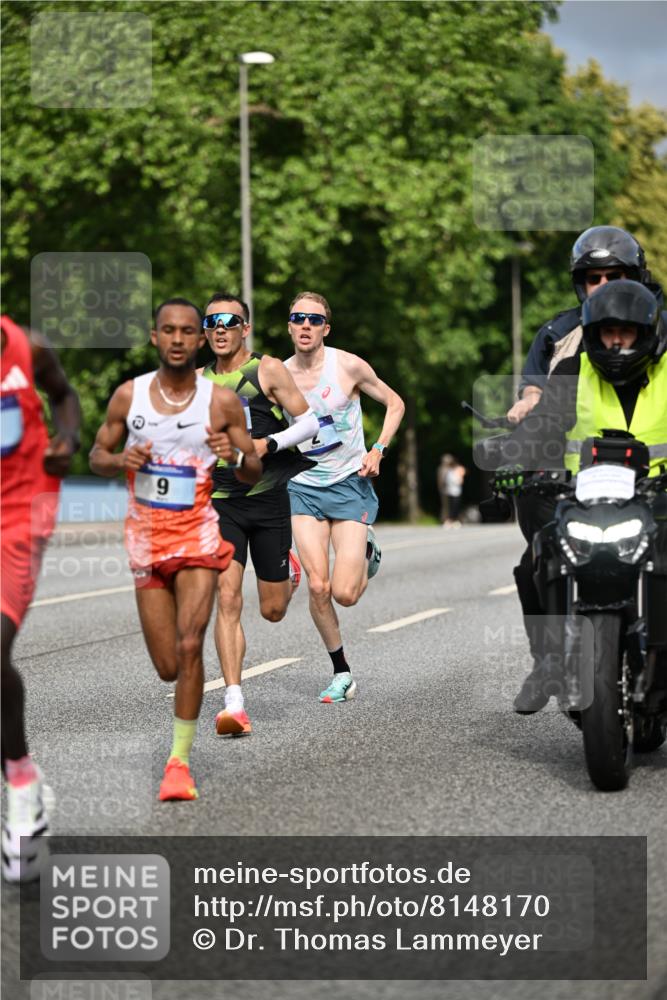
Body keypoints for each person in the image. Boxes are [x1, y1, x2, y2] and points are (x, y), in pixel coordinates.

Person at [90, 299, 261, 800]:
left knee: (190, 646)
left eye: (188, 331)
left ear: (199, 339)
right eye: (169, 330)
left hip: (198, 536)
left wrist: (236, 457)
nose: (179, 339)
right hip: (146, 540)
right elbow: (98, 454)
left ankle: (179, 764)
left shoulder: (220, 402)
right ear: (155, 337)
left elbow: (251, 469)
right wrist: (121, 459)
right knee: (168, 665)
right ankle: (179, 747)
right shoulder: (130, 396)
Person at [500, 280, 667, 713]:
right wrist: (514, 460)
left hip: (659, 498)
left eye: (626, 331)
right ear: (593, 334)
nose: (617, 341)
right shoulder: (574, 371)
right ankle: (550, 662)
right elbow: (544, 421)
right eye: (608, 331)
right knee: (536, 559)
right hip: (587, 498)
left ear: (647, 332)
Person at [199, 292, 320, 736]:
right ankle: (234, 702)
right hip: (221, 504)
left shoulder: (266, 369)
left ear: (245, 328)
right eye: (211, 322)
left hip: (268, 501)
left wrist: (268, 444)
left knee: (272, 610)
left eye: (229, 321)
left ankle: (288, 570)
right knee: (227, 598)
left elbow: (309, 423)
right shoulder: (197, 382)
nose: (220, 328)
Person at [284, 291, 405, 702]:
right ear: (289, 326)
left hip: (350, 484)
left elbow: (395, 403)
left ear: (326, 329)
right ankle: (342, 673)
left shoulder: (348, 366)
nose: (306, 325)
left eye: (314, 320)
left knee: (345, 594)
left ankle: (367, 550)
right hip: (303, 488)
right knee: (318, 587)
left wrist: (379, 449)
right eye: (298, 318)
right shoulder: (277, 375)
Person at [1, 315, 81, 881]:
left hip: (19, 515)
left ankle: (22, 784)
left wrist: (66, 439)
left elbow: (65, 395)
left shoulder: (27, 347)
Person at [506, 226, 662, 427]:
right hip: (583, 444)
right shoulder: (557, 335)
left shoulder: (663, 326)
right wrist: (531, 399)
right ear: (582, 286)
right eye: (594, 279)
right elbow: (534, 385)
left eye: (614, 276)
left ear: (635, 278)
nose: (604, 285)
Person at [437, 454, 467, 527]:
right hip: (448, 491)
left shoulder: (457, 470)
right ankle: (448, 520)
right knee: (448, 507)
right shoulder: (446, 470)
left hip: (456, 492)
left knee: (455, 507)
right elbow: (442, 480)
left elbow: (461, 479)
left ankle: (453, 520)